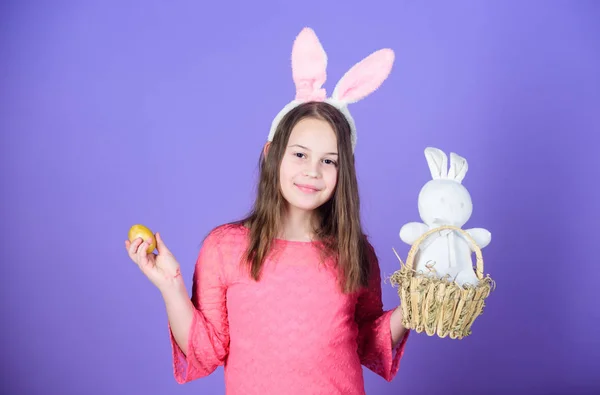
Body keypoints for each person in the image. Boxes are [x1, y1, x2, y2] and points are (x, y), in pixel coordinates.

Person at [125, 27, 410, 395]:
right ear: (270, 154)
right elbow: (205, 350)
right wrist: (170, 285)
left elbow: (369, 343)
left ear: (344, 173)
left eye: (329, 161)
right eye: (299, 154)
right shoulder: (224, 248)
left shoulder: (356, 251)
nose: (312, 171)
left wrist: (413, 310)